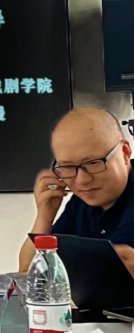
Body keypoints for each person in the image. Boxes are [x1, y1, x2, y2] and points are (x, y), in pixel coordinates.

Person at [19, 108, 134, 278]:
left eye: (93, 163)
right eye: (67, 166)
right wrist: (45, 216)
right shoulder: (80, 204)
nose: (81, 180)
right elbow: (27, 274)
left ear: (125, 153)